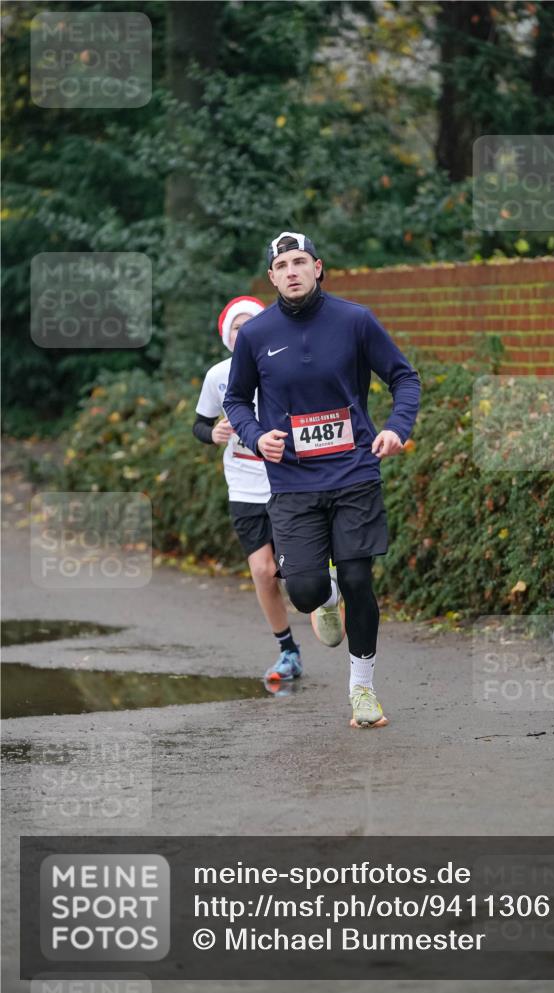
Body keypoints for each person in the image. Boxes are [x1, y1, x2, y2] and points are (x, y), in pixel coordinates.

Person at [223, 232, 421, 728]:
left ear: (318, 268)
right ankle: (324, 601)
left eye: (300, 262)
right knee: (307, 590)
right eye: (282, 265)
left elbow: (404, 377)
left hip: (354, 470)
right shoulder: (256, 335)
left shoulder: (354, 320)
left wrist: (397, 428)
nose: (292, 271)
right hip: (292, 482)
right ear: (271, 277)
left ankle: (363, 690)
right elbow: (235, 400)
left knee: (358, 578)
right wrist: (254, 435)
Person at [192, 295, 303, 685]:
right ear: (227, 335)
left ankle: (332, 601)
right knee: (262, 571)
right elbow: (200, 424)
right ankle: (288, 650)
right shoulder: (218, 375)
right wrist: (214, 433)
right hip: (243, 485)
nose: (243, 332)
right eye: (236, 327)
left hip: (288, 480)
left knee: (299, 572)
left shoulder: (285, 366)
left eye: (250, 325)